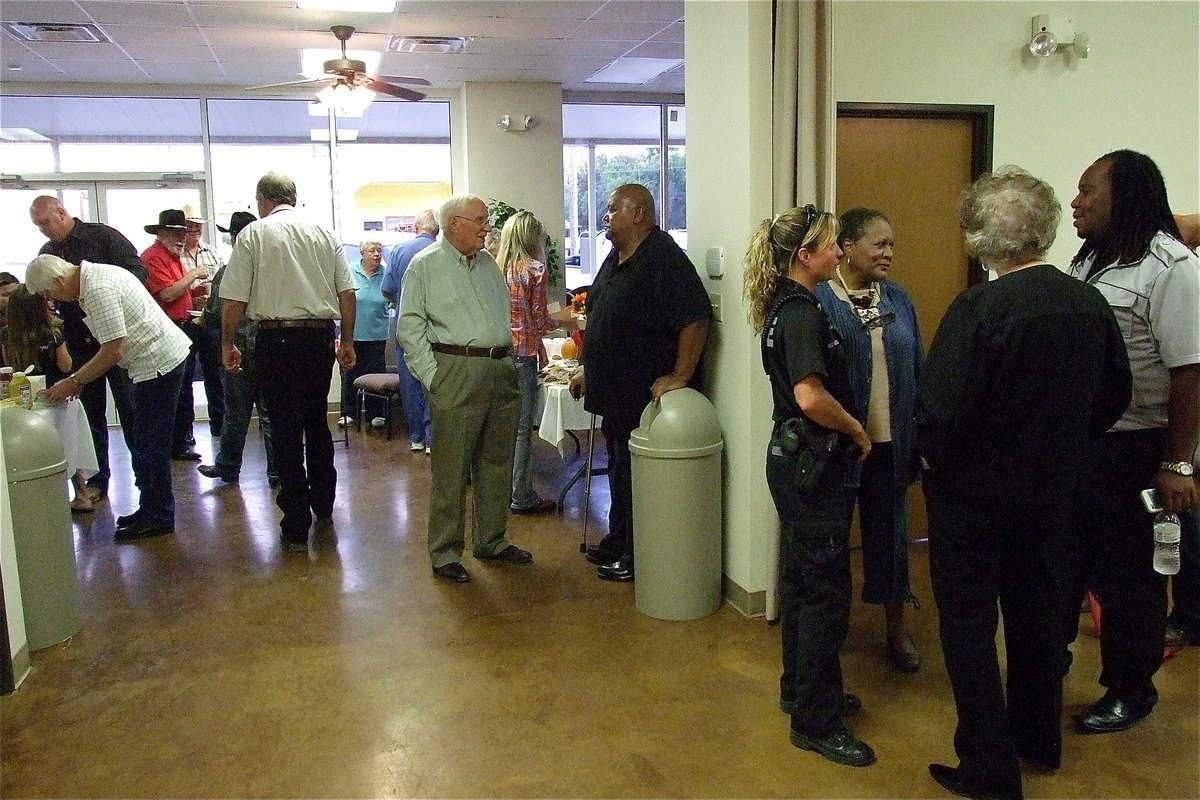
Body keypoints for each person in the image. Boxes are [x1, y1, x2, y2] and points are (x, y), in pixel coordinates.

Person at [916, 167, 1132, 800]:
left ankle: (988, 765)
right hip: (1053, 495)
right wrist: (1064, 445)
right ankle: (1039, 740)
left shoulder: (979, 308)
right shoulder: (1084, 302)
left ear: (978, 238)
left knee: (968, 626)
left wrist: (934, 462)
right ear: (1042, 229)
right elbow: (1115, 395)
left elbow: (941, 413)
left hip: (973, 503)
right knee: (1040, 618)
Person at [1065, 150, 1200, 733]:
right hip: (1084, 445)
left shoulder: (1170, 268)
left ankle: (1130, 687)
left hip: (1138, 448)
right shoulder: (1089, 261)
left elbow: (1189, 371)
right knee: (1072, 566)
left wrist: (1178, 463)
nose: (1076, 203)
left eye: (1087, 191)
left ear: (1125, 195)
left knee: (1131, 580)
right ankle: (1053, 671)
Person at [742, 204, 874, 767]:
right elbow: (809, 397)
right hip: (812, 465)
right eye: (831, 244)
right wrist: (856, 428)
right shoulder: (799, 313)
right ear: (805, 255)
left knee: (802, 582)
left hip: (797, 463)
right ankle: (816, 721)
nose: (840, 252)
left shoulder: (790, 306)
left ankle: (801, 690)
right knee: (824, 591)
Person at [568, 184, 710, 582]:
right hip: (614, 392)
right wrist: (587, 368)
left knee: (638, 479)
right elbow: (601, 314)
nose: (605, 216)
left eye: (613, 209)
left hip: (642, 396)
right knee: (618, 470)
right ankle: (618, 541)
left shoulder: (664, 258)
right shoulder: (617, 257)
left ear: (639, 214)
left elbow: (695, 317)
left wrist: (680, 375)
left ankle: (637, 555)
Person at [396, 194, 532, 583]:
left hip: (500, 368)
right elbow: (409, 327)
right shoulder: (425, 266)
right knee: (451, 468)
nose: (487, 227)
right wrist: (434, 376)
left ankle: (491, 540)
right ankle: (444, 552)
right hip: (455, 371)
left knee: (496, 462)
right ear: (454, 223)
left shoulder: (488, 264)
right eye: (479, 220)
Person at [219, 172, 357, 553]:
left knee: (283, 427)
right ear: (293, 198)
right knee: (316, 420)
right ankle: (324, 503)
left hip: (274, 338)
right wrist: (345, 341)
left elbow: (234, 301)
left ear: (262, 200)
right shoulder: (325, 234)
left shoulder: (254, 235)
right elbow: (347, 293)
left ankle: (296, 519)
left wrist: (228, 343)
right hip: (317, 337)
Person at [815, 207, 924, 673]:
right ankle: (826, 635)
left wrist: (919, 436)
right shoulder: (820, 299)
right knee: (832, 542)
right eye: (879, 244)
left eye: (892, 245)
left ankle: (895, 632)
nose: (888, 253)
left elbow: (918, 366)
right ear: (849, 246)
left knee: (891, 540)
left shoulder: (898, 299)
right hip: (840, 447)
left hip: (889, 445)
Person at [30, 254, 191, 542]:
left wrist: (74, 381)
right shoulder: (97, 276)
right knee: (145, 441)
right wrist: (80, 379)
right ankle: (151, 509)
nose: (51, 299)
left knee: (150, 444)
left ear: (58, 280)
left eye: (48, 292)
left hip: (157, 363)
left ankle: (159, 516)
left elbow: (113, 350)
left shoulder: (97, 290)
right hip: (156, 360)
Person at [29, 195, 146, 502]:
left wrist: (105, 298)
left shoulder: (104, 237)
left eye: (45, 222)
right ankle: (97, 481)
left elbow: (137, 275)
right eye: (37, 226)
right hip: (80, 343)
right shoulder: (47, 253)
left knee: (132, 412)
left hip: (117, 338)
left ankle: (146, 480)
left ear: (62, 213)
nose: (43, 230)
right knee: (90, 416)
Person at [197, 211, 278, 488]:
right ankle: (277, 472)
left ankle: (228, 467)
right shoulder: (273, 270)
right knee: (270, 414)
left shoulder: (228, 271)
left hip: (237, 349)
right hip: (270, 348)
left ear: (235, 238)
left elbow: (214, 315)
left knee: (236, 413)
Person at [1, 285, 93, 514]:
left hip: (24, 402)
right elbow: (66, 365)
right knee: (69, 443)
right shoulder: (53, 333)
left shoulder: (6, 334)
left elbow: (10, 367)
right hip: (56, 398)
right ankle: (81, 493)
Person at [498, 210, 559, 514]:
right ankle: (521, 495)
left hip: (497, 355)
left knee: (499, 426)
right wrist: (565, 321)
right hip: (523, 356)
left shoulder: (497, 269)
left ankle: (497, 489)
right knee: (523, 429)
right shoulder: (534, 270)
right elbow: (539, 319)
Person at [141, 208, 210, 461]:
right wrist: (193, 275)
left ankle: (182, 439)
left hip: (183, 326)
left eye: (184, 233)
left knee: (184, 388)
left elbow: (178, 293)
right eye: (176, 233)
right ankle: (174, 443)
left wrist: (195, 291)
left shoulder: (173, 257)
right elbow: (167, 294)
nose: (182, 239)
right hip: (168, 330)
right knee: (174, 390)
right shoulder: (153, 258)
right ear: (161, 233)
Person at [382, 209, 438, 453]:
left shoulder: (399, 251)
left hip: (407, 325)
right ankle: (432, 436)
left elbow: (386, 289)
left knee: (411, 381)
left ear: (416, 227)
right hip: (438, 328)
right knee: (434, 379)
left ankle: (416, 436)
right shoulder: (445, 253)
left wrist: (399, 298)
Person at [181, 205, 226, 438]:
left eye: (198, 225)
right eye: (191, 226)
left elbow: (222, 283)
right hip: (185, 321)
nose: (195, 229)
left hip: (208, 319)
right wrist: (192, 292)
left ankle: (219, 426)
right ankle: (186, 432)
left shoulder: (212, 252)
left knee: (215, 374)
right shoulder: (175, 255)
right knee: (185, 377)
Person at [339, 240, 390, 429]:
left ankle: (376, 413)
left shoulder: (386, 273)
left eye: (379, 250)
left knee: (376, 375)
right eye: (372, 250)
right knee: (350, 373)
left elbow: (392, 296)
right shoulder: (351, 271)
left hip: (377, 334)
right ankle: (348, 413)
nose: (377, 254)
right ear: (362, 253)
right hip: (352, 334)